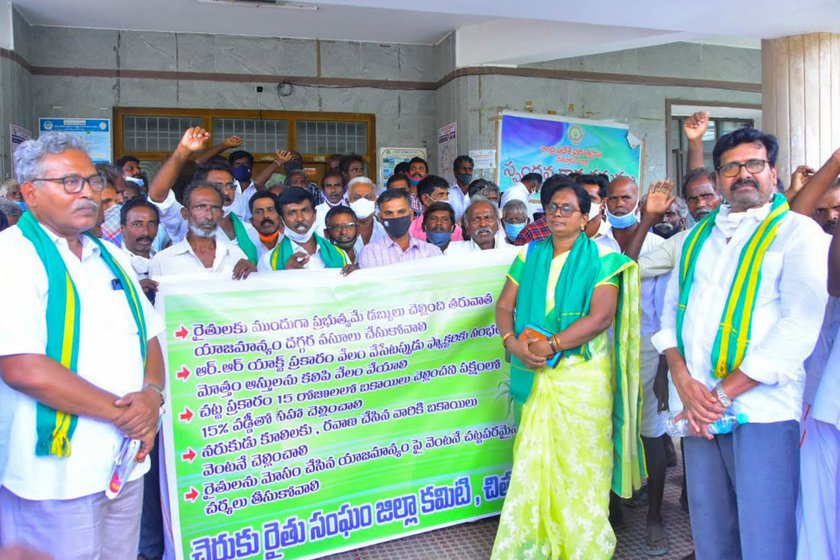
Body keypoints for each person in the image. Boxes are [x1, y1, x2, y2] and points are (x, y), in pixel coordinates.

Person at [652, 127, 829, 560]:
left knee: (765, 536)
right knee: (712, 531)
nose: (743, 174)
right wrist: (682, 379)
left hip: (761, 411)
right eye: (731, 167)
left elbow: (797, 328)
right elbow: (672, 313)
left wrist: (718, 394)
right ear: (718, 178)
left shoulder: (797, 234)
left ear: (773, 172)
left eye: (754, 164)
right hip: (698, 410)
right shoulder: (697, 237)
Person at [0, 132, 165, 559]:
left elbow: (148, 338)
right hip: (55, 473)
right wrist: (127, 416)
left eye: (92, 181)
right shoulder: (12, 257)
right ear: (30, 193)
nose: (88, 193)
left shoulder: (111, 256)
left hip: (123, 462)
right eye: (70, 182)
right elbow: (22, 367)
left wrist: (151, 398)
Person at [491, 175, 643, 560]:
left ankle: (581, 548)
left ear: (585, 216)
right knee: (533, 460)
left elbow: (601, 317)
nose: (558, 215)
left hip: (582, 377)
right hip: (533, 368)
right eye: (552, 208)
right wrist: (513, 344)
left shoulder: (605, 260)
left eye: (567, 209)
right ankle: (534, 544)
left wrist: (553, 343)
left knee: (582, 467)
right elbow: (504, 307)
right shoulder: (527, 254)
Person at [149, 181, 256, 279]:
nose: (209, 216)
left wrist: (253, 275)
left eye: (215, 208)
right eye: (200, 207)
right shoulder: (163, 261)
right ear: (184, 213)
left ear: (222, 214)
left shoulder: (236, 255)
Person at [258, 187, 347, 271]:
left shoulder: (340, 255)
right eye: (292, 213)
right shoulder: (267, 261)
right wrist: (285, 274)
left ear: (315, 214)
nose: (300, 218)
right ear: (281, 220)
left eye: (305, 211)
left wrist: (355, 275)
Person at [358, 189, 441, 268]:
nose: (396, 217)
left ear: (411, 215)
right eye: (389, 213)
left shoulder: (431, 252)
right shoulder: (370, 253)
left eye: (401, 212)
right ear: (380, 218)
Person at [120, 198, 161, 302]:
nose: (146, 232)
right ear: (122, 228)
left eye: (151, 224)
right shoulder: (112, 265)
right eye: (137, 224)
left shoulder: (166, 262)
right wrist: (132, 293)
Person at [408, 175, 463, 242]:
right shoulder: (410, 229)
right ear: (425, 198)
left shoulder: (455, 229)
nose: (446, 199)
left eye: (447, 194)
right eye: (440, 194)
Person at [344, 177, 387, 246]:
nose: (362, 201)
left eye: (368, 197)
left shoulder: (385, 232)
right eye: (357, 197)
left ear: (375, 202)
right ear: (348, 202)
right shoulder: (342, 233)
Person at [247, 191, 283, 259]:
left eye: (270, 210)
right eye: (259, 212)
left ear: (279, 215)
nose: (266, 216)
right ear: (251, 219)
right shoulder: (245, 242)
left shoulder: (290, 239)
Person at [313, 170, 346, 236]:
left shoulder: (351, 210)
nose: (333, 190)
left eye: (337, 185)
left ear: (344, 189)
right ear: (323, 190)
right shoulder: (315, 213)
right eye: (328, 186)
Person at [449, 155, 475, 221]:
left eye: (470, 169)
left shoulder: (476, 192)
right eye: (463, 168)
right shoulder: (448, 193)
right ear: (455, 172)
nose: (467, 172)